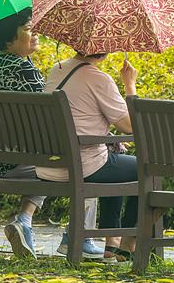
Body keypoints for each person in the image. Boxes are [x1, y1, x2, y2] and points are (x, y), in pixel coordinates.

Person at [37, 51, 138, 262]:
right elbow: (129, 126)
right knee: (146, 168)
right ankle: (129, 244)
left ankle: (112, 245)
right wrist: (130, 85)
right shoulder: (98, 78)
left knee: (115, 162)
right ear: (105, 51)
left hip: (51, 165)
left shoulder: (57, 70)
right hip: (83, 165)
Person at [0, 7, 49, 259]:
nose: (35, 33)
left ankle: (24, 225)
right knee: (75, 163)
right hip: (12, 161)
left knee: (53, 162)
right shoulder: (24, 70)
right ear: (10, 40)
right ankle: (26, 220)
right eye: (28, 29)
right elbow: (52, 117)